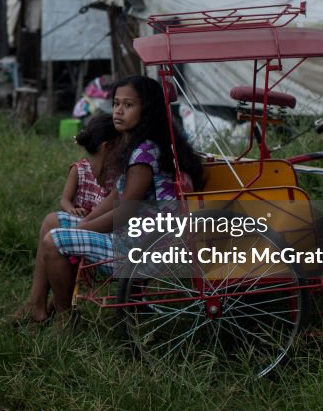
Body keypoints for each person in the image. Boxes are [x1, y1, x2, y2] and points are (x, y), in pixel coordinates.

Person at [16, 75, 204, 324]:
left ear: (146, 111)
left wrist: (82, 229)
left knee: (55, 241)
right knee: (52, 222)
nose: (118, 111)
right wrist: (83, 225)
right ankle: (36, 304)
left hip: (146, 246)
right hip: (135, 236)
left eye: (128, 105)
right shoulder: (136, 145)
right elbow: (116, 196)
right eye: (116, 103)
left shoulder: (144, 154)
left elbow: (125, 211)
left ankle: (65, 318)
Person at [59, 114, 118, 218]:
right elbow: (65, 200)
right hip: (80, 220)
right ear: (108, 147)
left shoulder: (118, 174)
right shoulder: (78, 170)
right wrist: (72, 210)